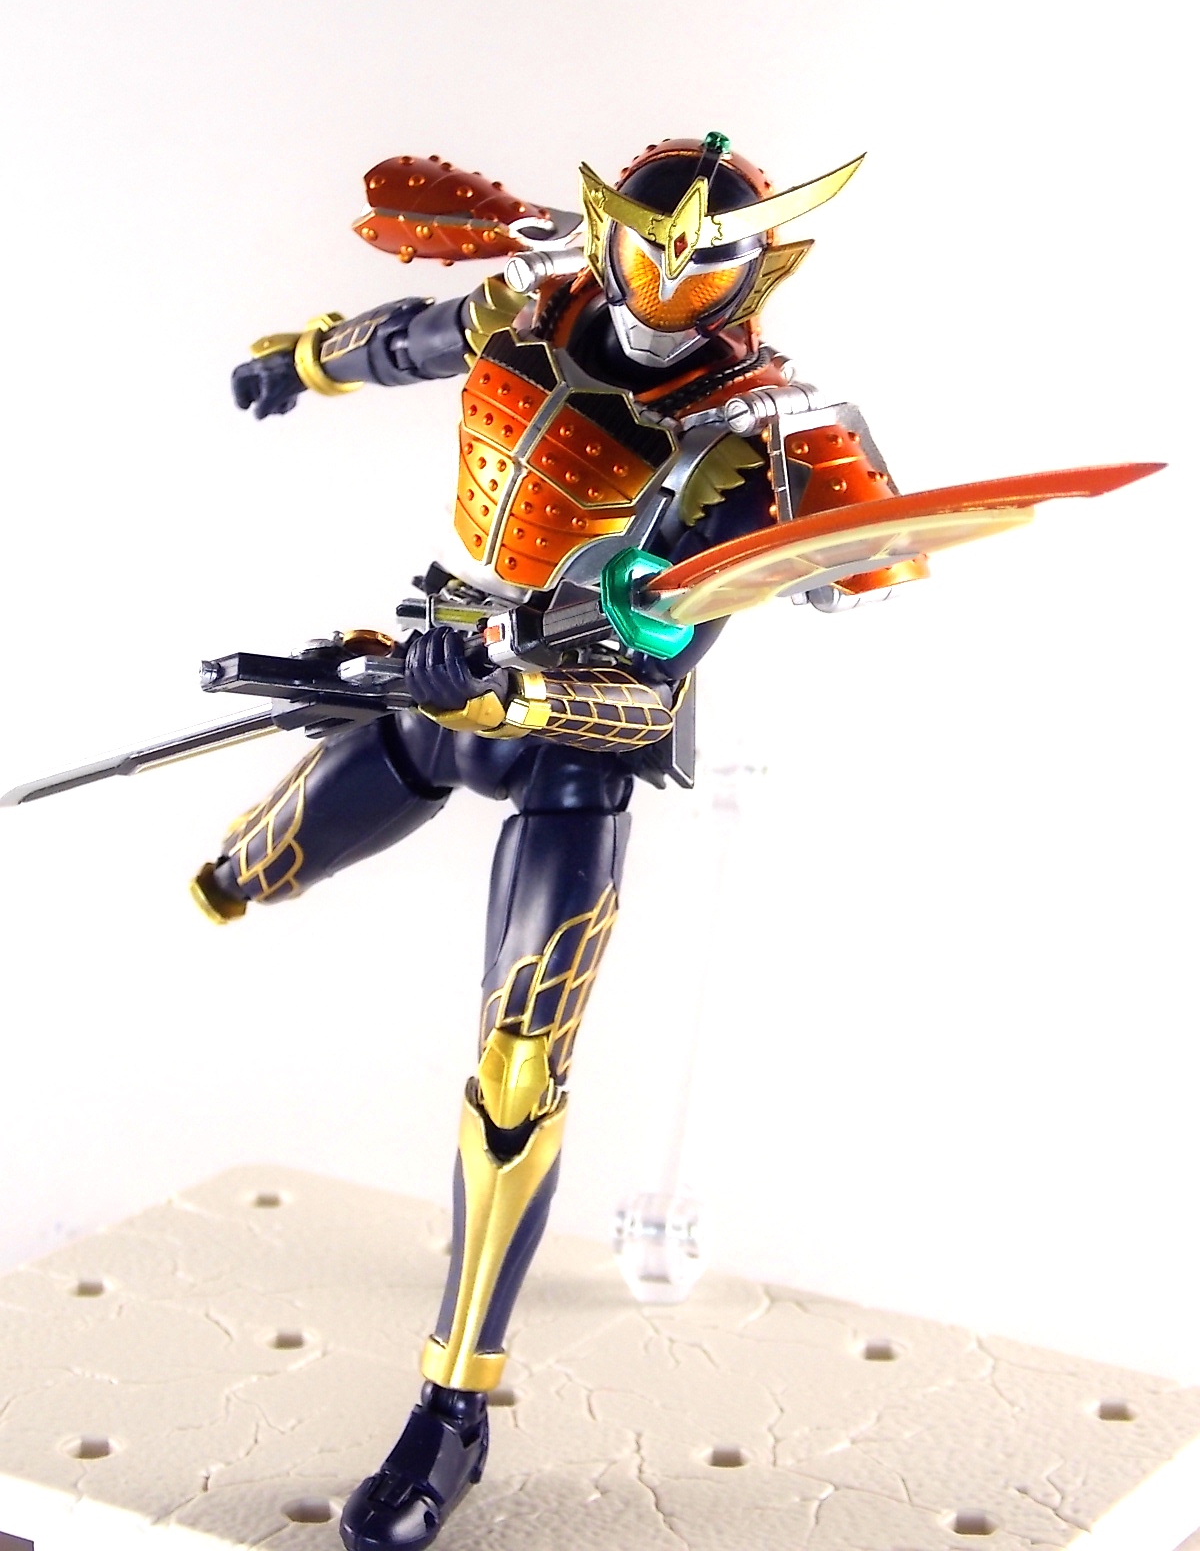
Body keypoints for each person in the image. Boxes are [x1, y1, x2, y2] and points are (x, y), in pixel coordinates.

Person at [198, 132, 921, 1551]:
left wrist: (781, 559)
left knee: (518, 1076)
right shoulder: (528, 307)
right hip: (434, 682)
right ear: (607, 231)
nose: (660, 288)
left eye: (700, 264)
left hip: (580, 746)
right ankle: (249, 861)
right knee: (237, 877)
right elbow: (404, 341)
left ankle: (453, 1405)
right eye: (643, 250)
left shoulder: (767, 429)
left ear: (756, 269)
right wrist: (301, 362)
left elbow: (802, 601)